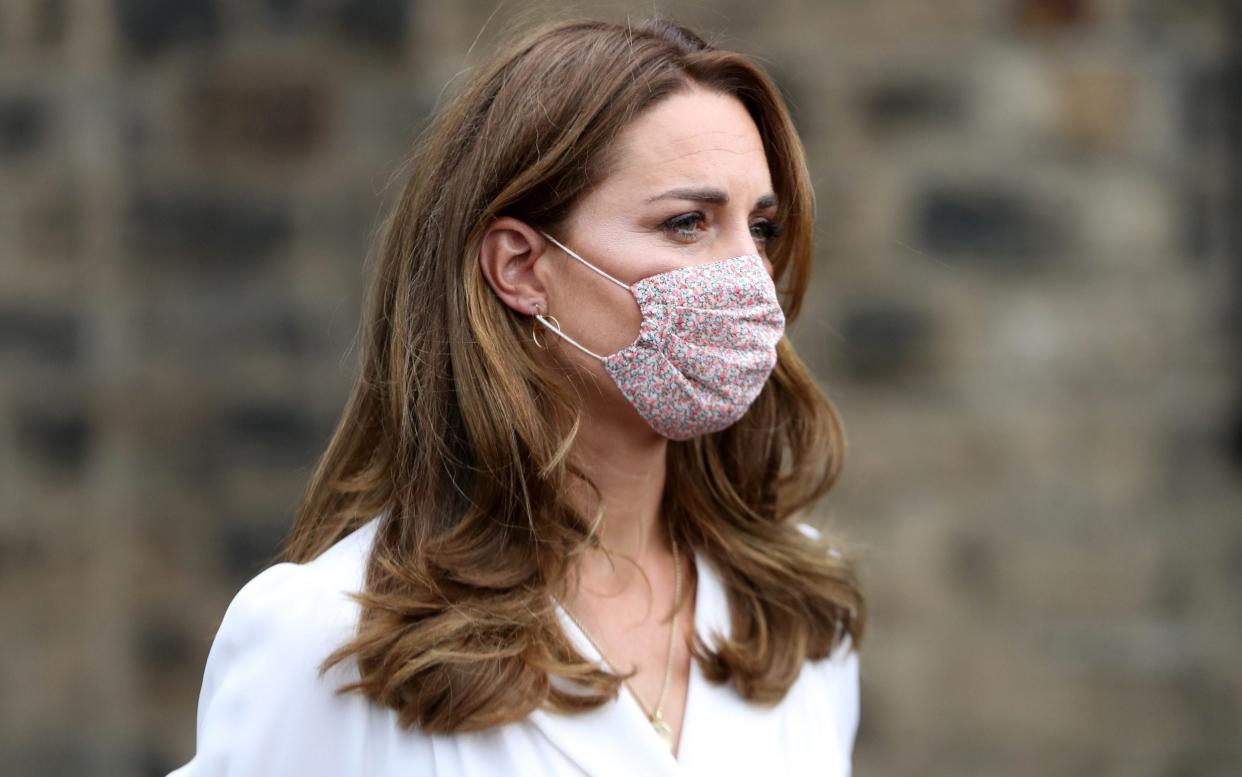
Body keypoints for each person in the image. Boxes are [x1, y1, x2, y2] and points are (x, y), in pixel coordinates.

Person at [169, 16, 867, 777]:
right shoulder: (332, 637)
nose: (747, 275)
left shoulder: (796, 610)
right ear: (521, 268)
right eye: (687, 223)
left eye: (761, 228)